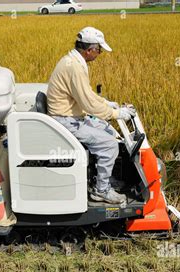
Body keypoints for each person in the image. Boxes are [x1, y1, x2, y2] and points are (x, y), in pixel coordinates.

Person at [46, 26, 136, 204]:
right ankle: (101, 191)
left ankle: (104, 178)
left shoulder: (75, 61)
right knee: (109, 145)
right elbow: (87, 103)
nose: (99, 53)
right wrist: (117, 113)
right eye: (99, 50)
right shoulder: (74, 68)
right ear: (89, 50)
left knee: (108, 130)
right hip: (65, 120)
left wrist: (105, 103)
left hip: (72, 116)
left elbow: (85, 94)